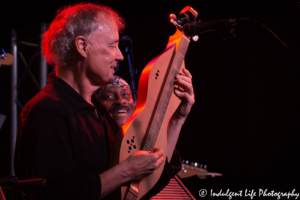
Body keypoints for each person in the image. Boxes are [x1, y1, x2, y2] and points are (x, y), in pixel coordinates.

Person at [14, 3, 195, 200]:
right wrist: (125, 171)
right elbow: (56, 194)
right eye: (112, 45)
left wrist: (177, 118)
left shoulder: (98, 112)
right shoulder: (47, 111)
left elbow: (140, 189)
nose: (119, 56)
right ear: (83, 46)